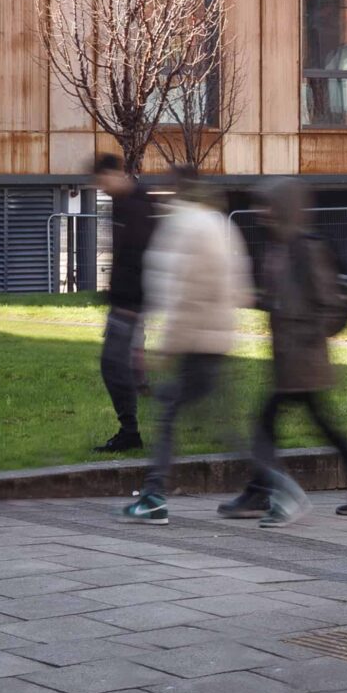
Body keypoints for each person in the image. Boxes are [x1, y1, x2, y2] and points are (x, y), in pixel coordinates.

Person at [221, 179, 347, 525]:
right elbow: (285, 300)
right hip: (287, 358)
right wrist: (258, 301)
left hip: (303, 359)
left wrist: (308, 337)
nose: (262, 212)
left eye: (269, 205)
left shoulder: (307, 248)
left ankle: (261, 492)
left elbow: (332, 305)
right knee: (320, 425)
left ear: (286, 207)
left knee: (265, 429)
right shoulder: (279, 245)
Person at [117, 174, 254, 524]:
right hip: (215, 338)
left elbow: (181, 292)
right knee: (218, 421)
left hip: (197, 340)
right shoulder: (218, 223)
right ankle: (270, 486)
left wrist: (165, 346)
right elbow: (239, 288)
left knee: (179, 413)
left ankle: (154, 497)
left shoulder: (184, 225)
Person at [92, 154, 159, 453]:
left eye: (101, 180)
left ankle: (130, 431)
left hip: (130, 303)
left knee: (113, 365)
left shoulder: (137, 205)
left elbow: (140, 257)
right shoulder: (122, 203)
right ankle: (130, 428)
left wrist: (130, 302)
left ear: (115, 174)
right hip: (123, 300)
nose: (100, 187)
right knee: (117, 365)